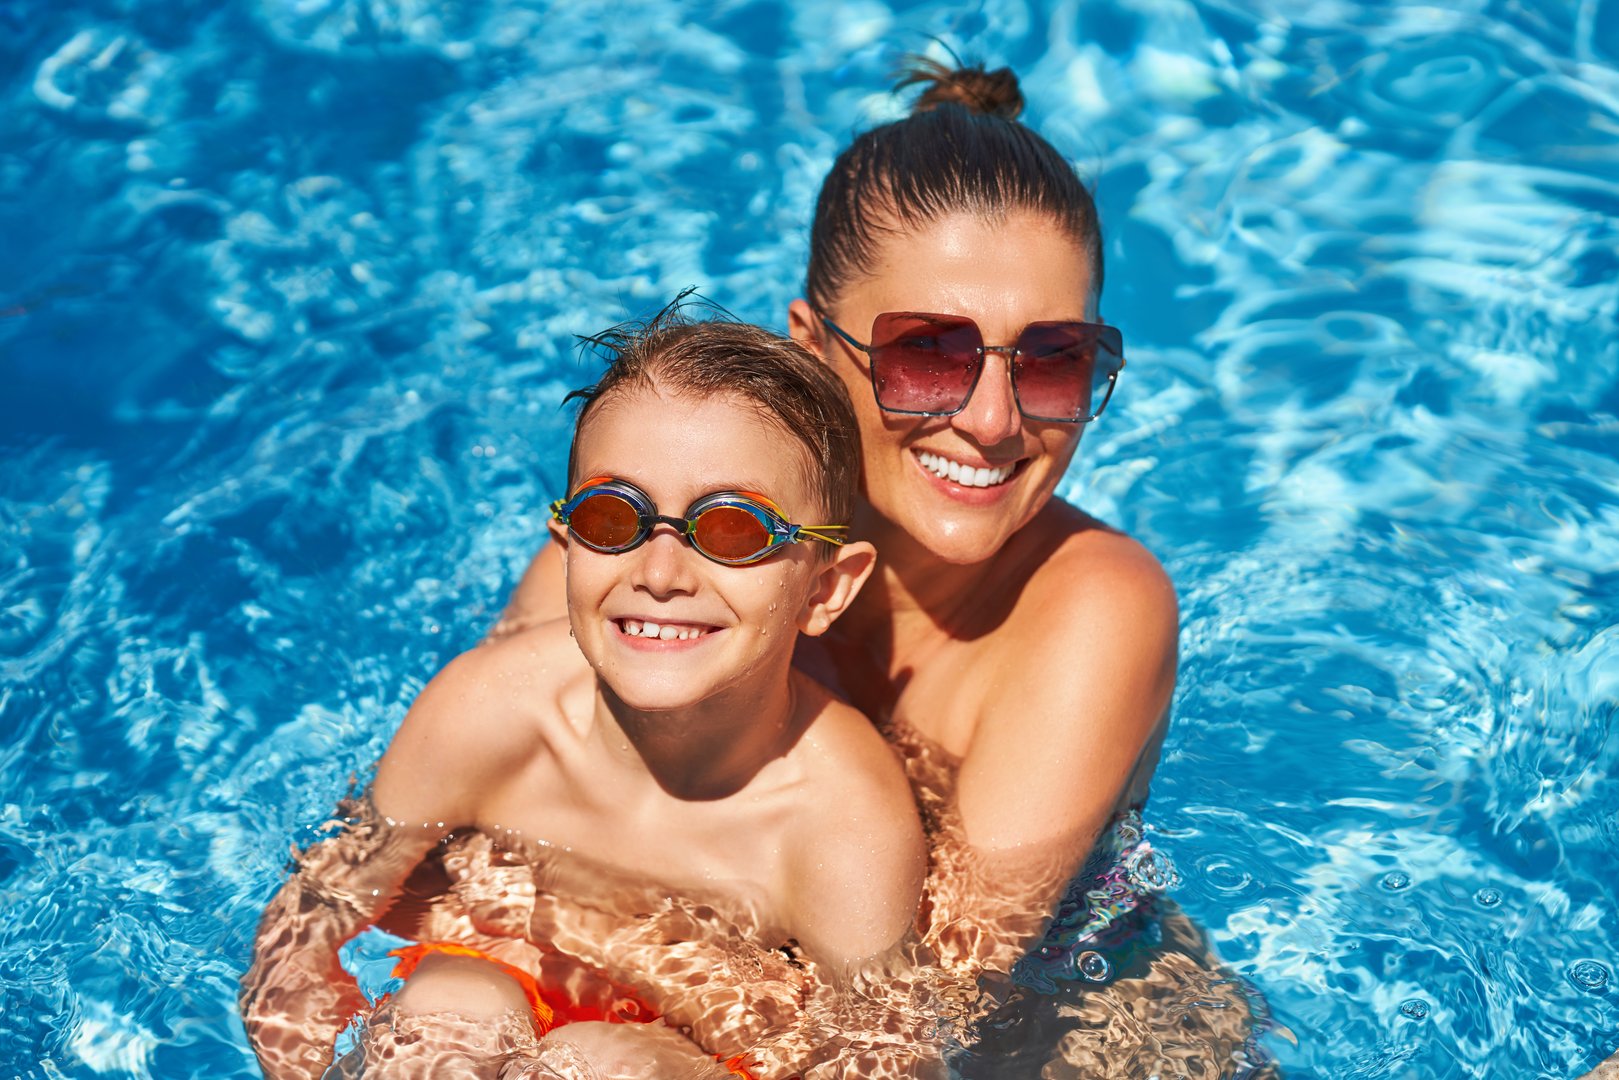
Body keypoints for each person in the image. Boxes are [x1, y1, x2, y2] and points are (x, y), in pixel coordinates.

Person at [498, 61, 1276, 1074]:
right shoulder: (676, 523)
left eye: (1051, 360)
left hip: (1068, 1046)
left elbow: (936, 1008)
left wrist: (589, 960)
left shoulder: (1090, 606)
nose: (992, 422)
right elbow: (476, 792)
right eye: (928, 354)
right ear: (813, 344)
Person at [240, 315, 930, 1079]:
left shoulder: (841, 825)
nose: (661, 574)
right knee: (444, 1018)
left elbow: (880, 1058)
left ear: (825, 588)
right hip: (491, 982)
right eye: (614, 517)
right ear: (567, 544)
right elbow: (318, 909)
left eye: (734, 530)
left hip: (695, 1054)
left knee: (593, 1063)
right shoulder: (490, 710)